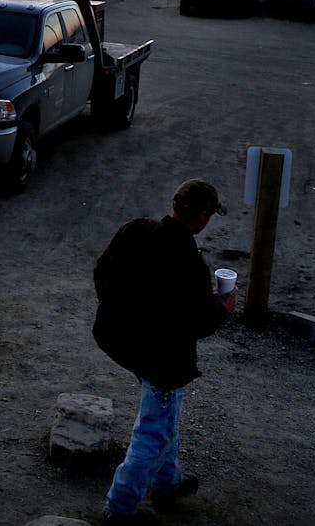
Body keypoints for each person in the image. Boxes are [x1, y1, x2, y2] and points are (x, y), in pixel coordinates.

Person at [92, 179, 238, 523]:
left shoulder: (136, 231)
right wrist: (223, 307)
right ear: (201, 217)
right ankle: (120, 507)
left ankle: (168, 481)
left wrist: (120, 311)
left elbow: (102, 270)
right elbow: (200, 323)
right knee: (154, 431)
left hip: (124, 342)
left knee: (166, 413)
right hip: (163, 359)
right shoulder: (188, 262)